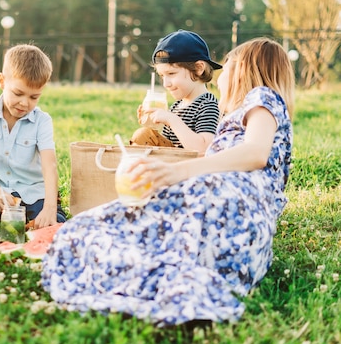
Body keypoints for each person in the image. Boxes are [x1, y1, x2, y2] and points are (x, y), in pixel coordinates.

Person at [42, 37, 294, 327]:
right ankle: (188, 295)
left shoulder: (262, 96)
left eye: (228, 69)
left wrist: (178, 172)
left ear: (245, 72)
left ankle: (172, 291)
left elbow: (255, 153)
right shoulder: (242, 114)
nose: (221, 79)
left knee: (91, 231)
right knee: (117, 234)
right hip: (235, 230)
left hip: (229, 204)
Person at [0, 43, 67, 229]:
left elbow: (49, 166)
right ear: (2, 81)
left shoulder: (42, 121)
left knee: (54, 224)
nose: (24, 103)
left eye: (34, 97)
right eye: (18, 93)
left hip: (33, 190)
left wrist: (50, 207)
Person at [130, 29, 221, 153]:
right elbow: (167, 146)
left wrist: (172, 120)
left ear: (199, 68)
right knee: (144, 135)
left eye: (171, 73)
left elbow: (204, 150)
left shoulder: (207, 105)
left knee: (143, 135)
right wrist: (152, 125)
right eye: (162, 76)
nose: (166, 84)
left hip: (191, 168)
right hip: (172, 163)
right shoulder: (176, 106)